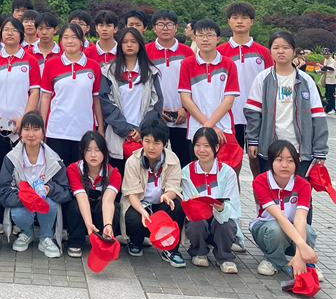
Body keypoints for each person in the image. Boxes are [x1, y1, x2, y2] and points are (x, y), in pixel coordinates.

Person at [245, 31, 328, 177]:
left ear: (294, 51)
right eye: (276, 48)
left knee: (300, 189)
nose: (281, 51)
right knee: (271, 188)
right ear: (270, 51)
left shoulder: (306, 80)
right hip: (269, 148)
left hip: (300, 150)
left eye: (286, 47)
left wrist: (320, 150)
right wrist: (252, 140)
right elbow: (253, 113)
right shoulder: (262, 78)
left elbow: (318, 116)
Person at [0, 111, 70, 258]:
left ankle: (46, 237)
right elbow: (3, 191)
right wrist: (25, 197)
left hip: (45, 201)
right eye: (26, 129)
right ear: (20, 132)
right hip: (22, 202)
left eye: (36, 129)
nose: (31, 134)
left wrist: (49, 189)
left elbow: (65, 191)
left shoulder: (54, 160)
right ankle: (26, 233)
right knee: (19, 212)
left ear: (43, 132)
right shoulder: (11, 158)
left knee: (49, 203)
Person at [217, 2, 272, 178]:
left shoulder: (264, 52)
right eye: (235, 17)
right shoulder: (219, 52)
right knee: (232, 168)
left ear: (252, 21)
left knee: (259, 168)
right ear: (229, 21)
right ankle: (235, 198)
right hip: (230, 117)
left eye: (244, 17)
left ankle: (260, 198)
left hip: (257, 116)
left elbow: (271, 84)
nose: (239, 21)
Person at [0, 17, 40, 181]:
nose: (10, 33)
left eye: (14, 30)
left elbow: (35, 92)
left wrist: (24, 118)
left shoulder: (31, 61)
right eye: (6, 29)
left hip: (21, 127)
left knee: (20, 170)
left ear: (21, 35)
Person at [121, 118, 186, 267]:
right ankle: (136, 241)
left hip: (161, 203)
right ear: (141, 140)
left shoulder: (173, 159)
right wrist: (143, 212)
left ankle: (171, 249)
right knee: (133, 216)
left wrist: (167, 195)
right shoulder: (133, 161)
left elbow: (174, 187)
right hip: (139, 204)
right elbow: (132, 195)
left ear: (165, 144)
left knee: (177, 206)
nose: (151, 147)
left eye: (156, 143)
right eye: (147, 141)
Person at [250, 140, 319, 277]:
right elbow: (279, 217)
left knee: (308, 231)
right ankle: (272, 260)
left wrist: (299, 254)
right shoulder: (260, 181)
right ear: (271, 162)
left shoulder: (303, 184)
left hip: (292, 228)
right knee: (275, 228)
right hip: (266, 227)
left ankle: (305, 263)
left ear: (296, 163)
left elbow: (300, 218)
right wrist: (302, 246)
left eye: (290, 160)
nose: (284, 165)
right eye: (279, 160)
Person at [99, 28, 163, 173]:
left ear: (140, 44)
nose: (129, 45)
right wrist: (126, 129)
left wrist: (142, 130)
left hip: (144, 135)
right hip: (118, 134)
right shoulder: (109, 72)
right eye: (125, 42)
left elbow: (156, 103)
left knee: (144, 176)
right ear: (120, 45)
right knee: (118, 176)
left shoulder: (150, 72)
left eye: (133, 41)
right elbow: (105, 102)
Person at [40, 23, 103, 166]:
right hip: (57, 130)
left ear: (81, 40)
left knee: (81, 172)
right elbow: (46, 97)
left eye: (74, 37)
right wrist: (42, 127)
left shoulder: (93, 66)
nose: (70, 41)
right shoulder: (51, 64)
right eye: (66, 37)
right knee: (58, 171)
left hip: (84, 131)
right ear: (60, 41)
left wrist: (100, 128)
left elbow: (96, 99)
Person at [181, 127, 242, 273]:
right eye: (197, 145)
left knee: (226, 222)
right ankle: (198, 252)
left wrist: (222, 209)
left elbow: (233, 206)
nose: (201, 150)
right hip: (200, 219)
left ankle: (225, 257)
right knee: (195, 222)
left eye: (207, 145)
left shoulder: (227, 172)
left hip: (220, 222)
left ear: (216, 147)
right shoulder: (186, 172)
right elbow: (188, 206)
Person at [178, 20, 240, 153]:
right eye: (200, 35)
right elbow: (186, 100)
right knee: (199, 164)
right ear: (195, 38)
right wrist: (209, 127)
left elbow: (228, 101)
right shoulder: (187, 64)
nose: (205, 39)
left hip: (223, 129)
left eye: (209, 35)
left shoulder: (229, 64)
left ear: (218, 39)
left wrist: (208, 126)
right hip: (196, 129)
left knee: (225, 165)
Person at [145, 10, 195, 168]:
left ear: (176, 27)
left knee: (184, 162)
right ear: (154, 28)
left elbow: (194, 84)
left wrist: (185, 109)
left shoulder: (187, 52)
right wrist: (155, 109)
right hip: (156, 117)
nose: (165, 28)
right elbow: (143, 86)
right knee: (155, 161)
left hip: (182, 117)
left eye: (169, 24)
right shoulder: (145, 52)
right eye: (160, 24)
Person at [65, 131, 122, 258]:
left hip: (101, 208)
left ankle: (105, 238)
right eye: (88, 150)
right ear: (82, 151)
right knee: (74, 206)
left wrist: (108, 225)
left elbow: (108, 201)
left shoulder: (114, 173)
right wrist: (89, 225)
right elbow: (81, 197)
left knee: (115, 207)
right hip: (84, 206)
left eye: (97, 150)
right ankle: (75, 242)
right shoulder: (73, 169)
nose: (93, 155)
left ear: (104, 151)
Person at [320, 48, 336, 114]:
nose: (323, 55)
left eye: (325, 54)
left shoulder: (332, 61)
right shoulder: (326, 60)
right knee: (327, 94)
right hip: (327, 79)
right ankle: (328, 108)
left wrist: (323, 66)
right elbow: (325, 68)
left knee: (331, 95)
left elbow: (331, 68)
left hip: (332, 80)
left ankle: (332, 108)